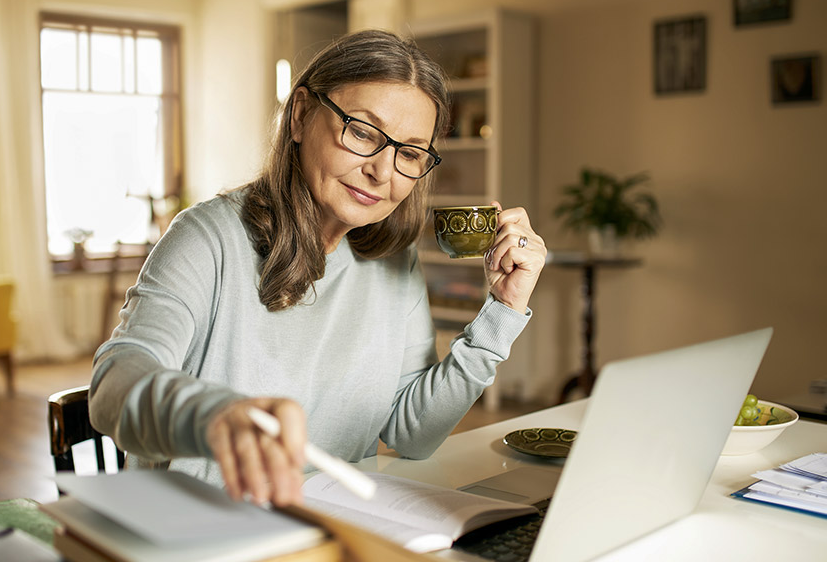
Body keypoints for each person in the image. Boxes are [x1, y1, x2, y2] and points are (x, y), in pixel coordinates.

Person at [89, 29, 547, 508]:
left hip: (328, 525)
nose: (383, 172)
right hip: (201, 530)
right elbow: (112, 385)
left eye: (409, 153)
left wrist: (503, 310)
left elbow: (414, 434)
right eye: (364, 132)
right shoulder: (207, 238)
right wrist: (212, 415)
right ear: (302, 115)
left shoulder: (394, 261)